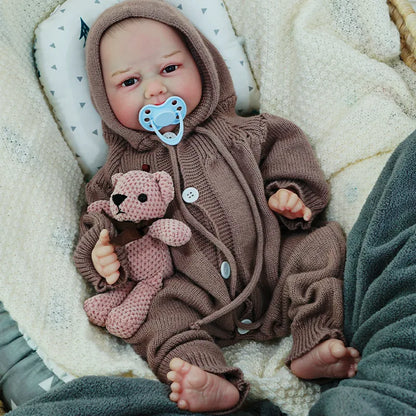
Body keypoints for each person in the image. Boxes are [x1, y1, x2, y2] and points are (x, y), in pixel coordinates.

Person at [74, 0, 360, 413]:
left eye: (170, 69)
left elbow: (287, 148)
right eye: (130, 81)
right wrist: (100, 254)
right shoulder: (116, 172)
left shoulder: (242, 130)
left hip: (274, 266)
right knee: (157, 318)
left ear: (203, 66)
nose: (156, 90)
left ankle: (312, 341)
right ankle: (206, 376)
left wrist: (291, 192)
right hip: (192, 297)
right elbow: (99, 219)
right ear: (104, 100)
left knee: (323, 249)